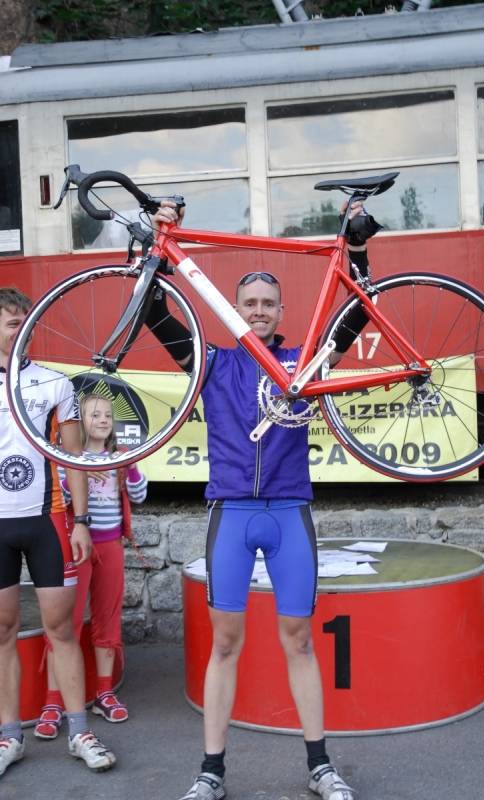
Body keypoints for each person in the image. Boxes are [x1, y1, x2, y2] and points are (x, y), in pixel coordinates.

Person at [148, 200, 380, 800]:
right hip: (231, 513)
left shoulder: (303, 363)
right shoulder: (214, 362)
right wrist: (155, 242)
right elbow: (153, 313)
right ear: (236, 309)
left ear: (281, 312)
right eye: (248, 302)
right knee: (225, 643)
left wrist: (357, 250)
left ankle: (320, 766)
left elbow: (358, 313)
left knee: (299, 640)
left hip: (289, 512)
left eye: (268, 303)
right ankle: (211, 772)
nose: (258, 310)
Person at [0, 287, 116, 777]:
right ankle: (9, 737)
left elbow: (75, 459)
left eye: (27, 322)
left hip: (48, 519)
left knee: (62, 629)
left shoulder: (54, 383)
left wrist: (82, 521)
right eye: (12, 323)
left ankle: (79, 732)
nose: (22, 330)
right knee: (3, 631)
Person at [35, 393, 147, 738]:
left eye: (107, 415)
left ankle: (104, 691)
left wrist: (130, 468)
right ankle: (53, 701)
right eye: (94, 414)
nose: (102, 420)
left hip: (111, 546)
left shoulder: (119, 458)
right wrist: (76, 475)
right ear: (79, 422)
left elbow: (140, 496)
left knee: (107, 619)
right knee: (64, 623)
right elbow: (62, 498)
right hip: (76, 547)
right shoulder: (69, 459)